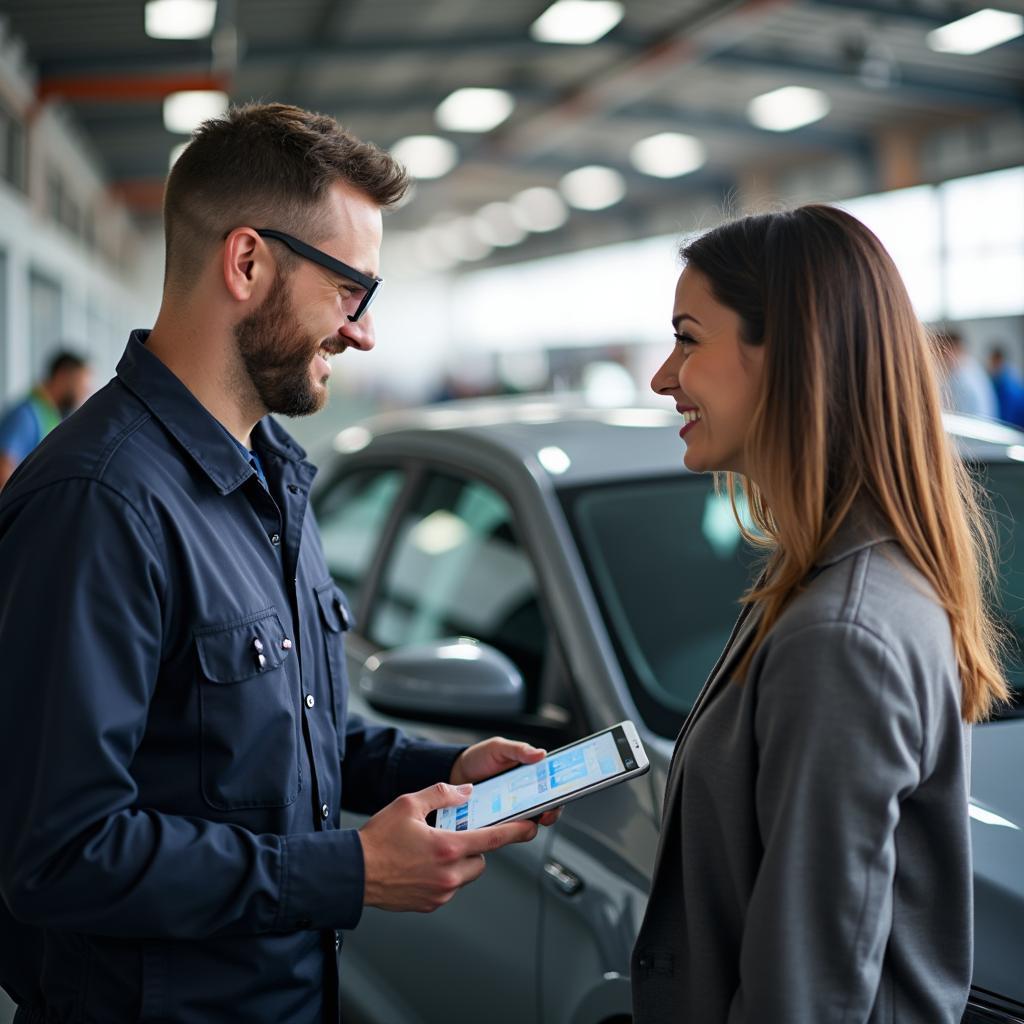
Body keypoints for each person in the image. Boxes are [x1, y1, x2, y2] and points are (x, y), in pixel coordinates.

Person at [0, 103, 557, 1024]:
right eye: (352, 291)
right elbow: (55, 853)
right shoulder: (99, 505)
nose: (365, 332)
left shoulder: (272, 478)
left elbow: (267, 741)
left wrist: (446, 761)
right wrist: (351, 869)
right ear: (248, 262)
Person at [636, 205, 1009, 1023]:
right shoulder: (825, 581)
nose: (664, 376)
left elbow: (804, 999)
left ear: (790, 356)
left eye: (689, 338)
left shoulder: (841, 634)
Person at [0, 349, 91, 489]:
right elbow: (3, 468)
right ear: (63, 377)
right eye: (80, 385)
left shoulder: (48, 415)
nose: (83, 394)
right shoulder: (26, 415)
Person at [935, 326, 998, 418]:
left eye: (941, 352)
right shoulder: (974, 368)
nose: (940, 358)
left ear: (950, 350)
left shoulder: (961, 379)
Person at [986, 344, 1024, 427]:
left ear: (999, 361)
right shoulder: (1010, 378)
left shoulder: (1007, 388)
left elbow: (1006, 421)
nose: (990, 366)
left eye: (992, 362)